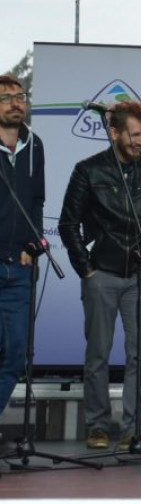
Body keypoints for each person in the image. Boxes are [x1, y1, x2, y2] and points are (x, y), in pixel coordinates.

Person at [58, 101, 141, 452]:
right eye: (135, 134)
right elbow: (67, 223)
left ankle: (134, 430)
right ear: (115, 133)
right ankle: (97, 426)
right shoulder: (88, 170)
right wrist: (87, 269)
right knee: (98, 353)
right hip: (102, 274)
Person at [0, 75, 43, 441]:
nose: (15, 103)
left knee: (15, 355)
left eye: (19, 96)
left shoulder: (35, 145)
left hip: (20, 267)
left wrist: (33, 244)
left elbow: (36, 201)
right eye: (6, 98)